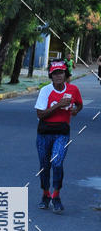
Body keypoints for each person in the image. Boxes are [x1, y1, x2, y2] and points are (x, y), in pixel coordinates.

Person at [35, 59, 82, 212]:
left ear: (65, 74)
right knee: (44, 166)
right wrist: (58, 105)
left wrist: (75, 110)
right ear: (51, 75)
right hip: (44, 133)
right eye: (55, 73)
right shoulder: (45, 90)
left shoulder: (73, 89)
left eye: (60, 72)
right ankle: (45, 194)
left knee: (57, 163)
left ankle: (56, 196)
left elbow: (79, 104)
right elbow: (40, 114)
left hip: (62, 133)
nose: (58, 76)